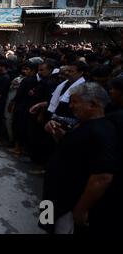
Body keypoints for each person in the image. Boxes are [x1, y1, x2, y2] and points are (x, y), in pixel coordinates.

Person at [42, 83, 121, 234]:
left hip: (67, 204)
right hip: (52, 195)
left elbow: (103, 177)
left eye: (75, 102)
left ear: (92, 104)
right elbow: (71, 148)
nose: (70, 106)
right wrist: (56, 133)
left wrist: (82, 209)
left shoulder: (102, 132)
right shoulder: (83, 125)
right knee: (47, 225)